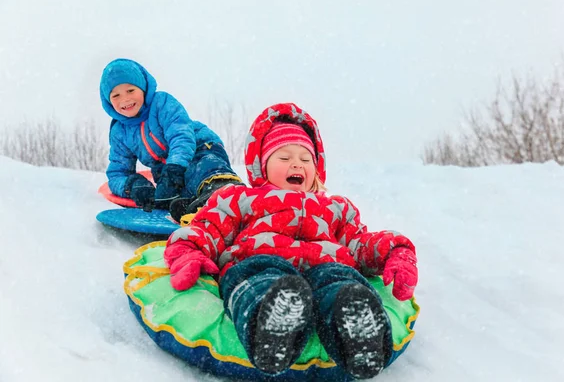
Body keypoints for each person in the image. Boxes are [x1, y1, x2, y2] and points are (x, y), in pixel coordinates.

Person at [162, 103, 418, 379]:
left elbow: (359, 243)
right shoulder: (239, 199)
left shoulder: (336, 208)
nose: (296, 164)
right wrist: (188, 251)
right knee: (255, 276)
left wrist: (394, 251)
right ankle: (270, 325)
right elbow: (208, 228)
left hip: (324, 266)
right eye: (284, 157)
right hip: (259, 262)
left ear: (316, 169)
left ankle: (356, 327)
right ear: (262, 166)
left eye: (305, 159)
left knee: (341, 278)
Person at [99, 58, 242, 215]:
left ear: (144, 89)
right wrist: (133, 185)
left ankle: (224, 189)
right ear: (108, 102)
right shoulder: (120, 131)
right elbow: (117, 172)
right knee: (168, 193)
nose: (125, 99)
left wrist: (175, 166)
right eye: (116, 95)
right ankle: (192, 204)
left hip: (199, 148)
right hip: (164, 167)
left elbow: (181, 135)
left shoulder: (161, 103)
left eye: (130, 90)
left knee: (201, 167)